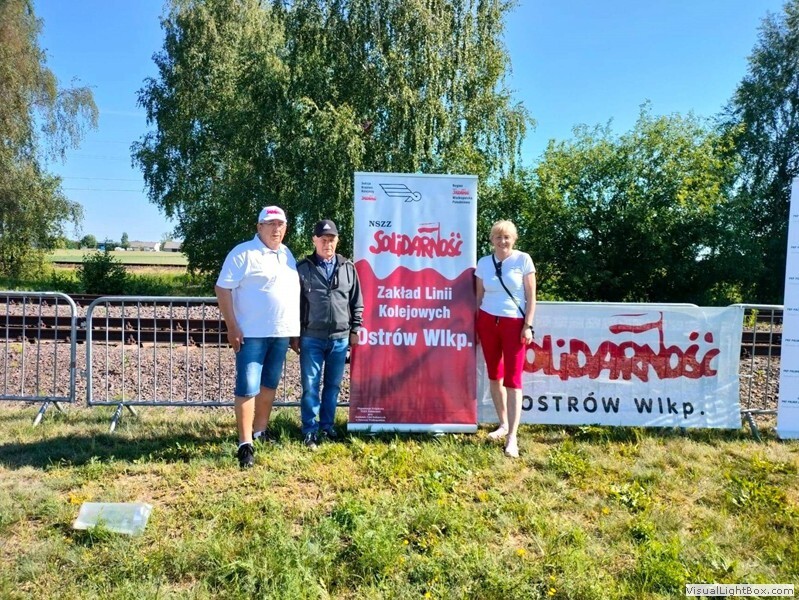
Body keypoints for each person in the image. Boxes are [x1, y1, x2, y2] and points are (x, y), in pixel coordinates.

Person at [215, 205, 300, 468]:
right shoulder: (243, 253)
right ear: (259, 227)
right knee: (247, 387)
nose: (276, 229)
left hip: (280, 333)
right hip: (251, 334)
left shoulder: (286, 254)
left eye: (280, 224)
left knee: (269, 385)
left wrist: (294, 332)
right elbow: (222, 289)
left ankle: (260, 431)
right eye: (270, 224)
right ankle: (244, 444)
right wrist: (232, 327)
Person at [293, 219, 363, 450]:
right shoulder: (303, 269)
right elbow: (294, 304)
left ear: (337, 241)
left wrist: (355, 328)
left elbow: (356, 301)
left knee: (333, 386)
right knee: (310, 386)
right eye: (323, 239)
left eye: (331, 239)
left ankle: (327, 426)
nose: (327, 244)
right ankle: (309, 430)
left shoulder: (347, 268)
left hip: (340, 339)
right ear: (314, 240)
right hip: (311, 338)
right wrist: (295, 334)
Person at [475, 220, 536, 458]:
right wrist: (476, 326)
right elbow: (478, 298)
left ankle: (513, 437)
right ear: (492, 240)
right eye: (498, 237)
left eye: (507, 237)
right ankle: (503, 424)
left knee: (513, 380)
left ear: (514, 239)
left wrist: (528, 326)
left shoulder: (523, 260)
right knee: (494, 375)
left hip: (514, 324)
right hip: (488, 322)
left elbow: (531, 296)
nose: (503, 241)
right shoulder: (483, 263)